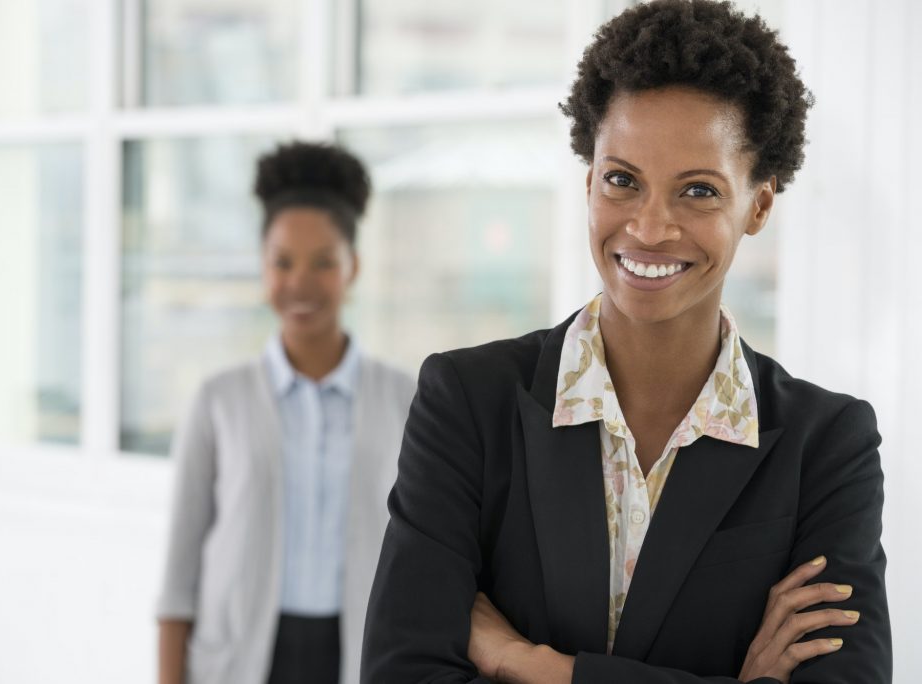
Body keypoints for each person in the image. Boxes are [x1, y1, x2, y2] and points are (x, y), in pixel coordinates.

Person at [361, 1, 891, 682]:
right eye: (622, 180)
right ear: (589, 183)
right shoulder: (467, 403)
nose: (647, 227)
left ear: (758, 204)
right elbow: (403, 672)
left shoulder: (827, 445)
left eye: (698, 191)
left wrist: (536, 665)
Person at [156, 141, 415, 684]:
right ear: (262, 267)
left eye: (323, 262)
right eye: (282, 262)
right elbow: (178, 579)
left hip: (359, 656)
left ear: (353, 268)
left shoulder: (405, 399)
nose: (300, 283)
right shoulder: (218, 401)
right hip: (237, 660)